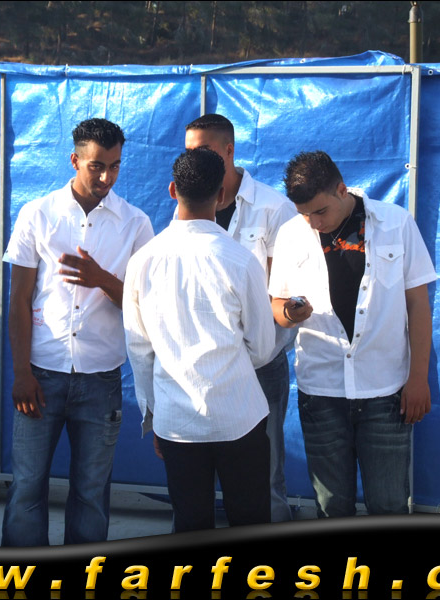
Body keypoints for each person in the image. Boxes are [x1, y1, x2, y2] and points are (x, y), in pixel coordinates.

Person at [1, 118, 154, 546]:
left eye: (115, 166)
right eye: (96, 166)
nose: (106, 177)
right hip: (40, 374)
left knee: (91, 492)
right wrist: (21, 372)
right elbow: (19, 300)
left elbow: (146, 303)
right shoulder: (38, 214)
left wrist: (101, 279)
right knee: (26, 486)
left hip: (101, 379)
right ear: (75, 160)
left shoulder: (135, 223)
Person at [268, 150, 436, 518]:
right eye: (305, 214)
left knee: (389, 505)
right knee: (331, 506)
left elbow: (417, 304)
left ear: (342, 190)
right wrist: (290, 312)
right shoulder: (291, 234)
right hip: (321, 390)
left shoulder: (395, 223)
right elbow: (276, 305)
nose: (314, 223)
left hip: (385, 389)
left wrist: (418, 377)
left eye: (320, 211)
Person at [124, 147, 274, 532]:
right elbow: (262, 346)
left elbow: (140, 350)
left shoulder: (142, 261)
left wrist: (154, 415)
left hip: (177, 421)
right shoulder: (241, 260)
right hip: (239, 415)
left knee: (190, 525)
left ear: (172, 190)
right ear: (221, 195)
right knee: (251, 522)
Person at [183, 113, 297, 522]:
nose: (194, 158)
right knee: (197, 477)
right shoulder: (187, 208)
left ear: (229, 150)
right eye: (189, 151)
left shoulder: (274, 209)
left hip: (259, 365)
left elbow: (287, 290)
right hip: (204, 364)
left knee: (264, 474)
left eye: (204, 150)